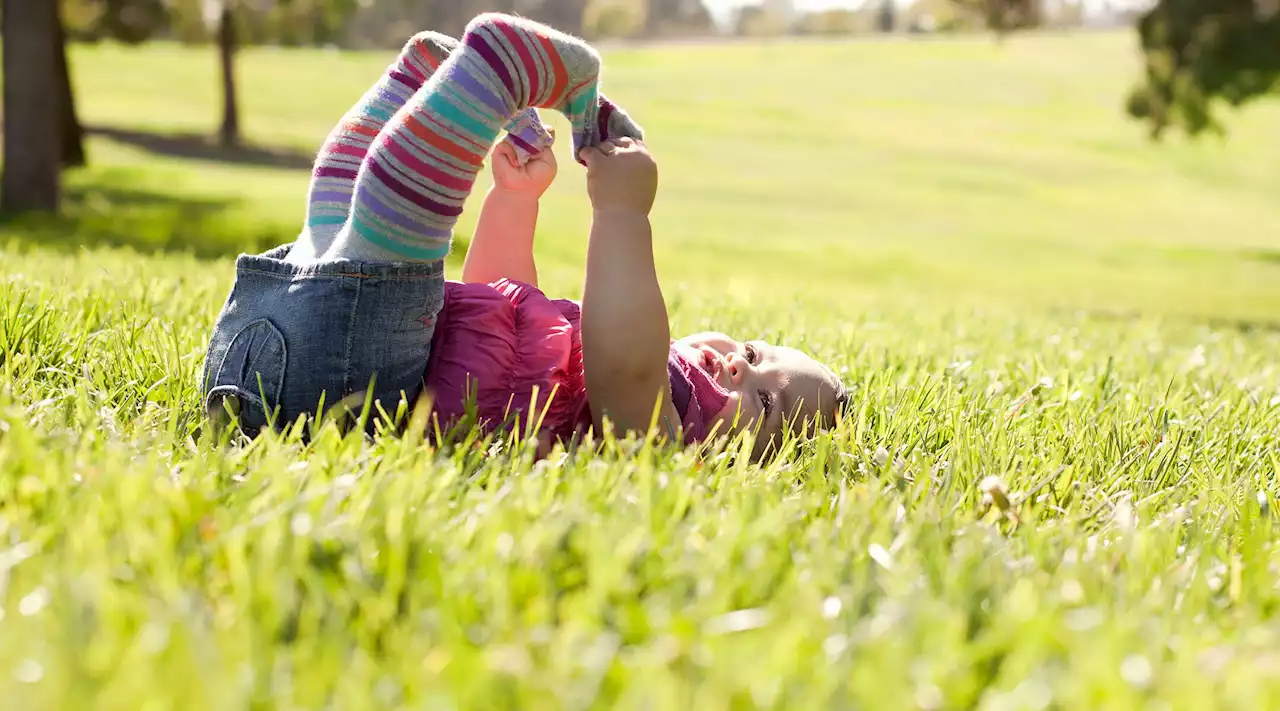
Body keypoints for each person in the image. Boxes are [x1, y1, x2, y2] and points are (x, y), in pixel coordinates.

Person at [201, 13, 844, 460]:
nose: (736, 365)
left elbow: (626, 362)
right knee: (340, 234)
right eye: (756, 353)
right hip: (278, 331)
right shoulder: (578, 381)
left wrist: (623, 215)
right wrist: (515, 198)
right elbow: (495, 301)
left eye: (764, 402)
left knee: (390, 248)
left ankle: (487, 81)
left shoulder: (662, 431)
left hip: (340, 383)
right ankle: (434, 100)